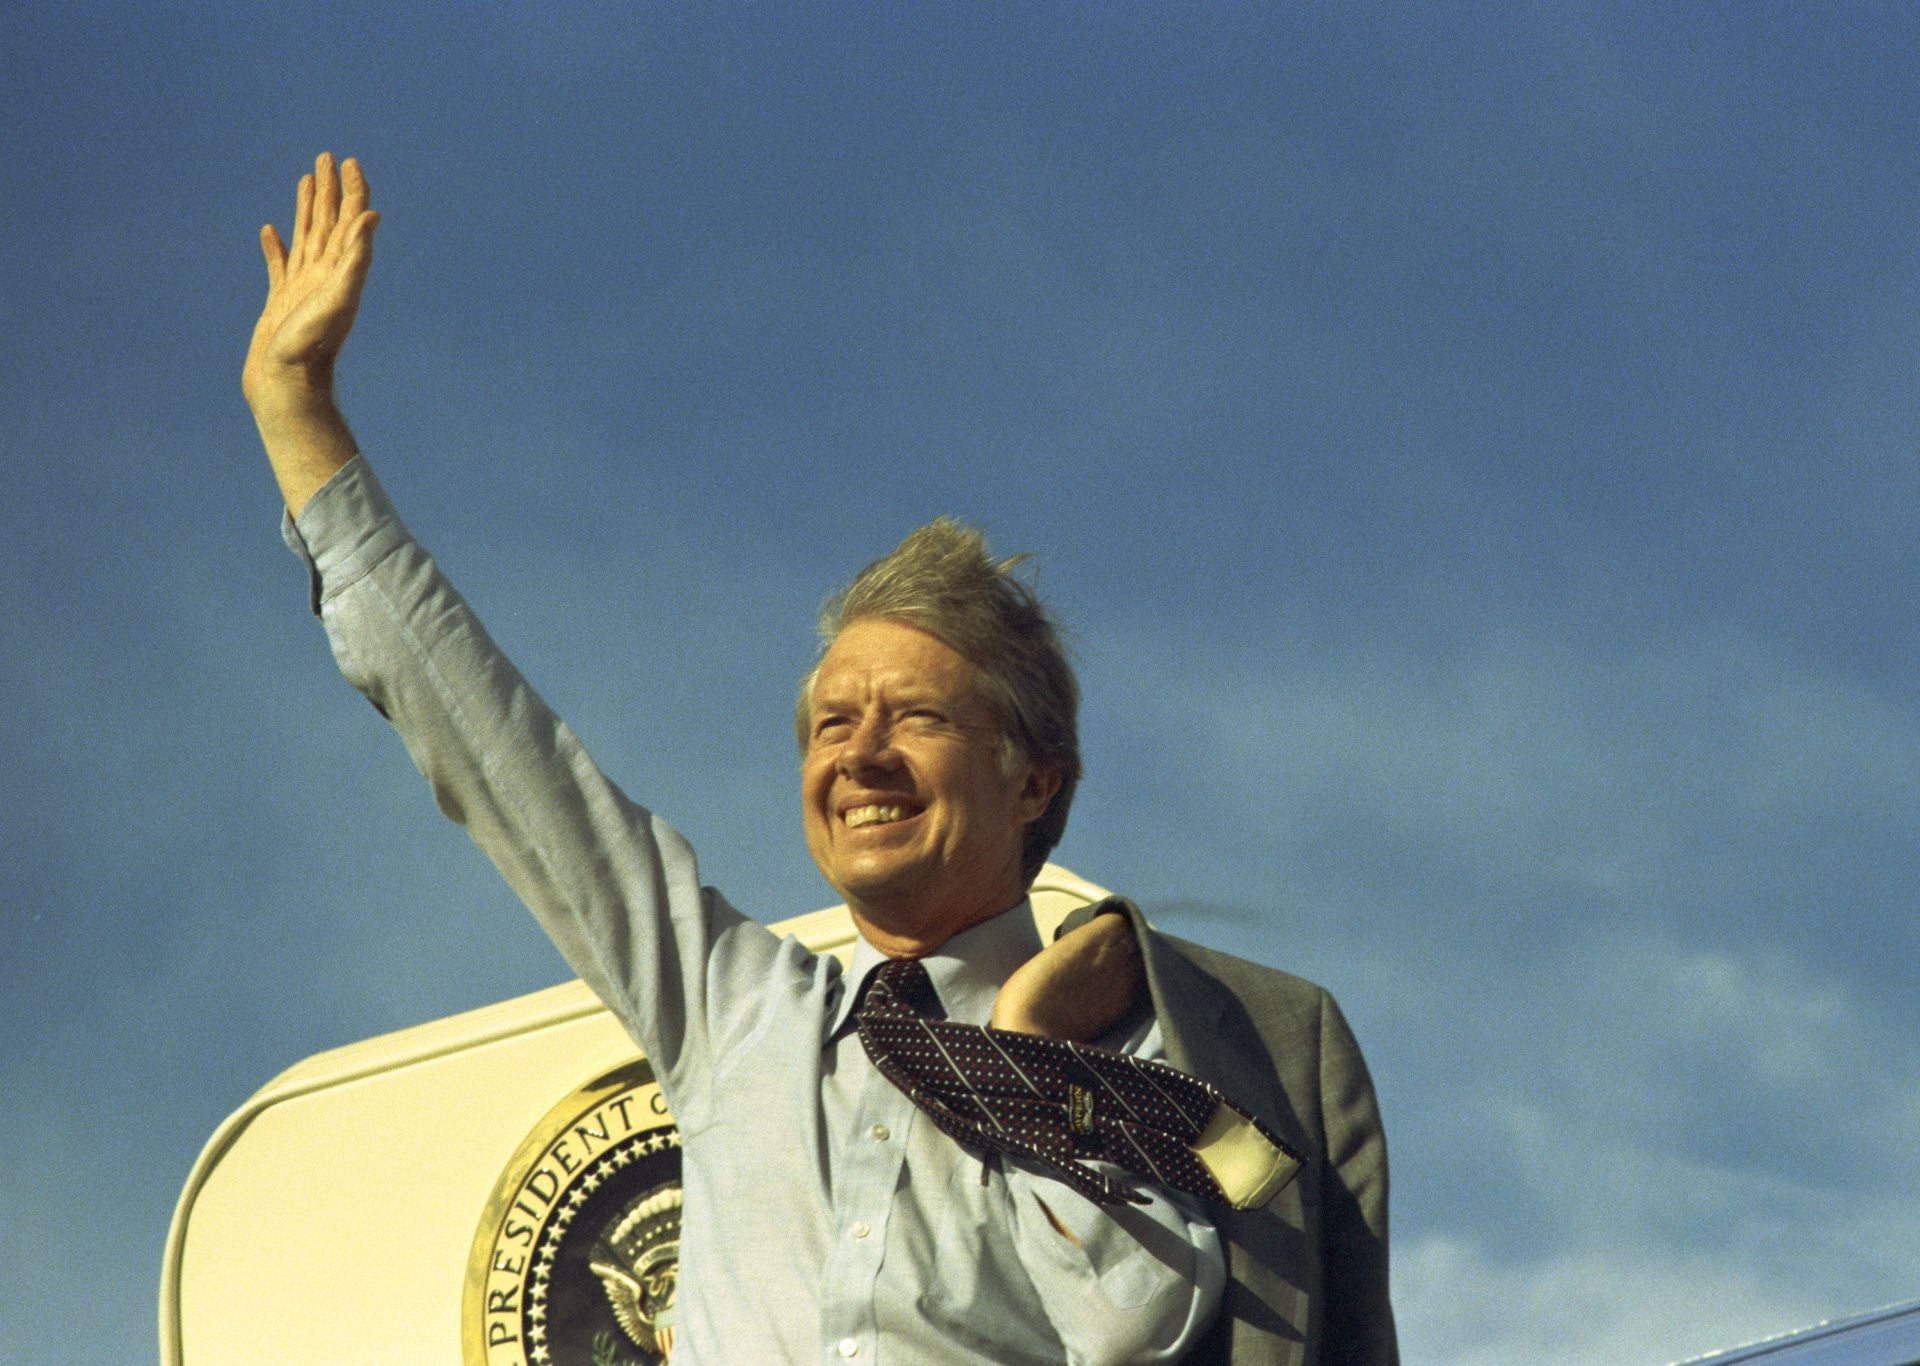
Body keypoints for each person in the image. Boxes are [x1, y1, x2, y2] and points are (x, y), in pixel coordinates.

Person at [244, 153, 1396, 1364]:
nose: (862, 756)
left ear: (1035, 777)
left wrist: (1030, 1055)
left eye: (917, 718)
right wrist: (296, 410)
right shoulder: (738, 1011)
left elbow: (1134, 1323)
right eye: (833, 723)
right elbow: (499, 753)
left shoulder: (1143, 1052)